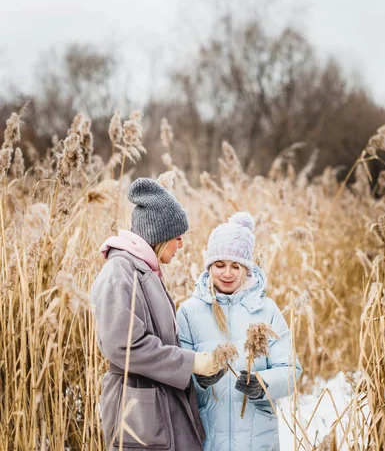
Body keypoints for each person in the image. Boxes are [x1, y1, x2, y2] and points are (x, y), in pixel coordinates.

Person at [91, 178, 218, 450]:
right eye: (178, 237)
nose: (181, 245)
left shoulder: (143, 270)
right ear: (159, 235)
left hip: (160, 401)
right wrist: (189, 362)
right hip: (136, 408)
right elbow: (123, 345)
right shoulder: (119, 272)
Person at [177, 212, 303, 451]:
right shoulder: (189, 312)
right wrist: (199, 379)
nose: (227, 273)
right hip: (207, 437)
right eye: (219, 265)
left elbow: (291, 371)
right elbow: (177, 369)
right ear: (209, 266)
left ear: (247, 267)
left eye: (236, 266)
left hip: (258, 439)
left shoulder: (266, 310)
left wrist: (264, 383)